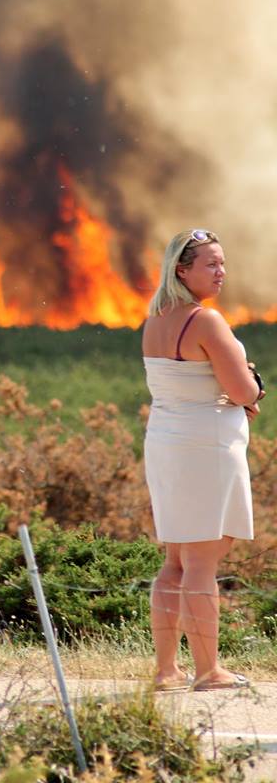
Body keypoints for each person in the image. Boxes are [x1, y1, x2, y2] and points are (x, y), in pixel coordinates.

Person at [142, 228, 264, 692]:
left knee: (176, 559)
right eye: (211, 264)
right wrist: (253, 391)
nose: (221, 272)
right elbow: (243, 390)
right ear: (182, 270)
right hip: (206, 447)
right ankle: (209, 670)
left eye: (222, 263)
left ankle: (166, 670)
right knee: (202, 562)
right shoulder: (207, 322)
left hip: (167, 443)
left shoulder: (154, 320)